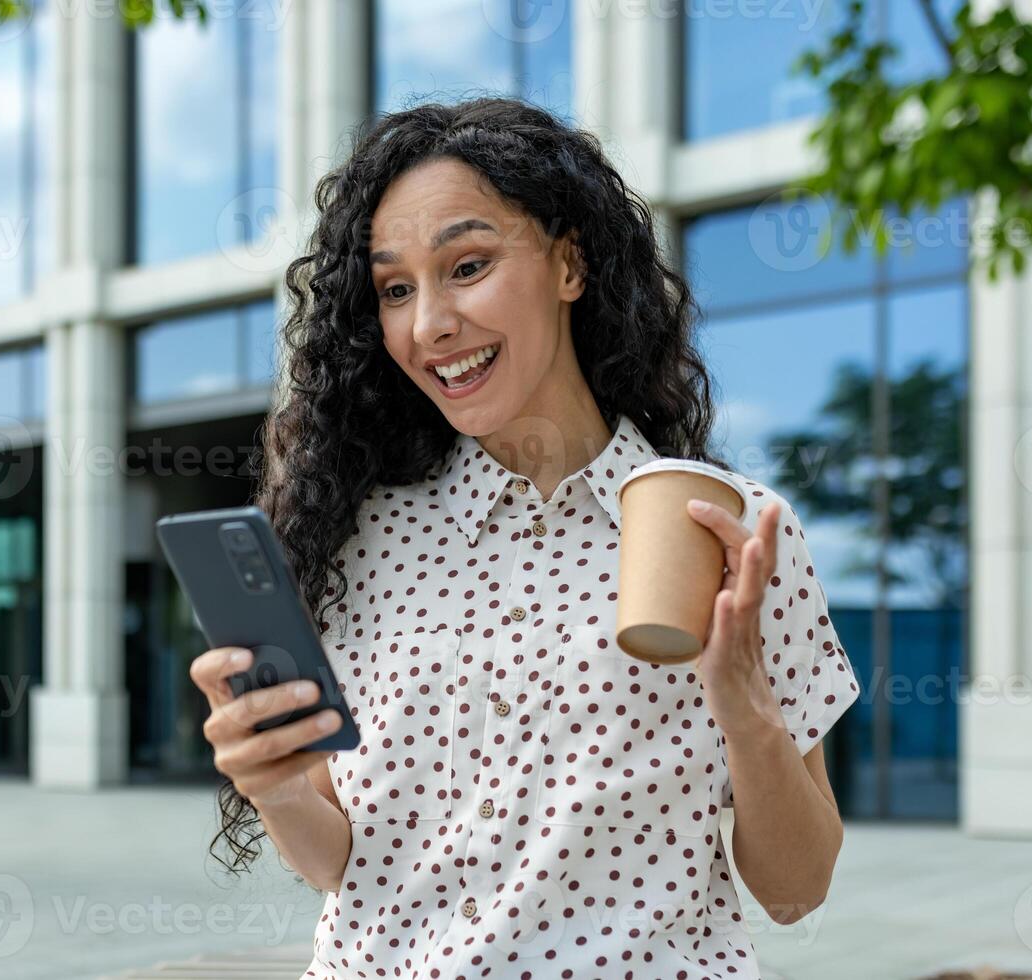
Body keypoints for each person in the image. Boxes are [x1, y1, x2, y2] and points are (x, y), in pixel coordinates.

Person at [188, 96, 862, 980]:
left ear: (569, 263)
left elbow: (795, 889)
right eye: (396, 288)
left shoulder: (728, 530)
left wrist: (744, 708)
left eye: (467, 265)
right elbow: (341, 865)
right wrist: (272, 782)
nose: (429, 323)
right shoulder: (354, 536)